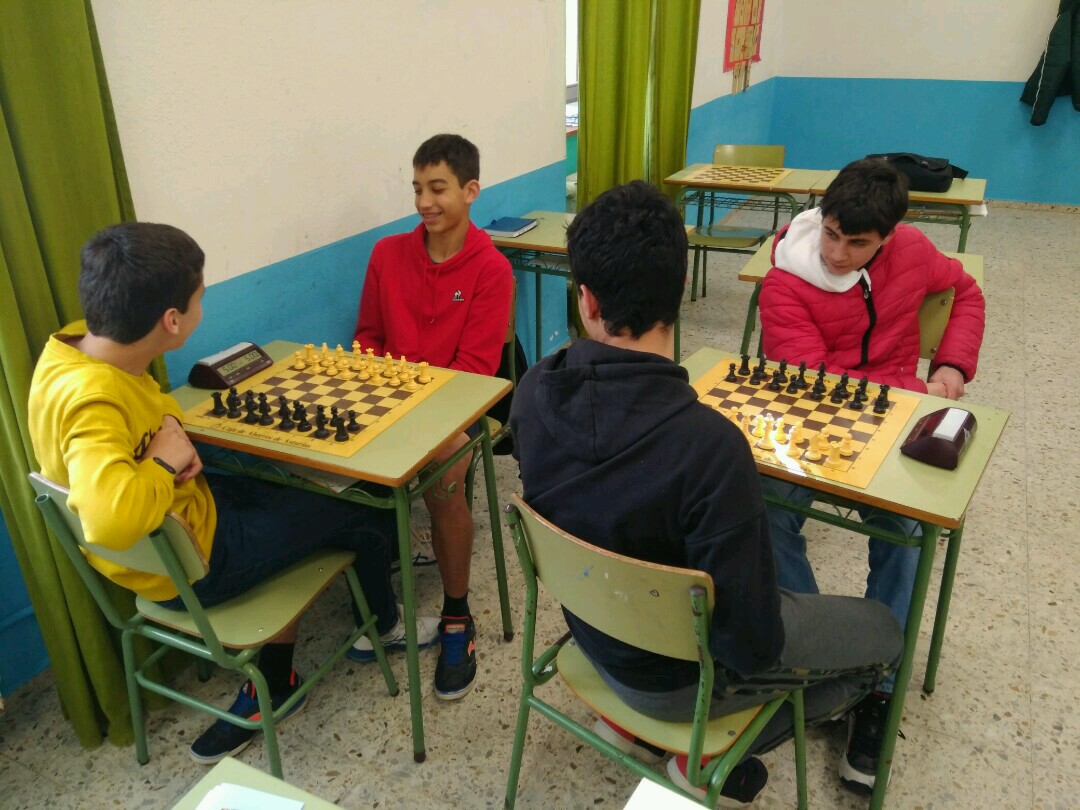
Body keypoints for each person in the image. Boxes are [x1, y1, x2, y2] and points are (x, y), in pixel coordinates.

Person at [509, 180, 903, 806]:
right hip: (676, 688)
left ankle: (628, 725)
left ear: (586, 300)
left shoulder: (531, 391)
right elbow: (751, 646)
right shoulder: (712, 449)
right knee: (881, 635)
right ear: (680, 291)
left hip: (591, 639)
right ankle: (703, 759)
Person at [28, 222, 436, 765]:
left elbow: (144, 412)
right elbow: (108, 520)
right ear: (172, 321)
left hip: (182, 526)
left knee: (288, 484)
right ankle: (368, 635)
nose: (203, 305)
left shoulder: (77, 350)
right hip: (191, 567)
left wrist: (171, 438)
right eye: (199, 297)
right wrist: (162, 462)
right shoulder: (93, 400)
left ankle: (305, 661)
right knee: (363, 497)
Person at [758, 158, 985, 792]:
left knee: (910, 530)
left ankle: (877, 681)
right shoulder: (784, 281)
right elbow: (817, 387)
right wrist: (910, 387)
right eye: (830, 233)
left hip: (894, 424)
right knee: (763, 507)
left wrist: (952, 367)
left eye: (856, 243)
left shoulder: (912, 251)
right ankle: (823, 654)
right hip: (811, 429)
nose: (835, 253)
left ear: (889, 235)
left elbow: (967, 293)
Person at [351, 133, 513, 700]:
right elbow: (367, 338)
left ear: (470, 191)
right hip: (389, 401)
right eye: (418, 188)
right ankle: (379, 606)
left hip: (455, 408)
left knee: (446, 473)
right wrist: (384, 400)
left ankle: (456, 614)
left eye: (437, 188)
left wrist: (415, 416)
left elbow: (474, 372)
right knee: (337, 466)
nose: (424, 201)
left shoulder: (492, 270)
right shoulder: (387, 254)